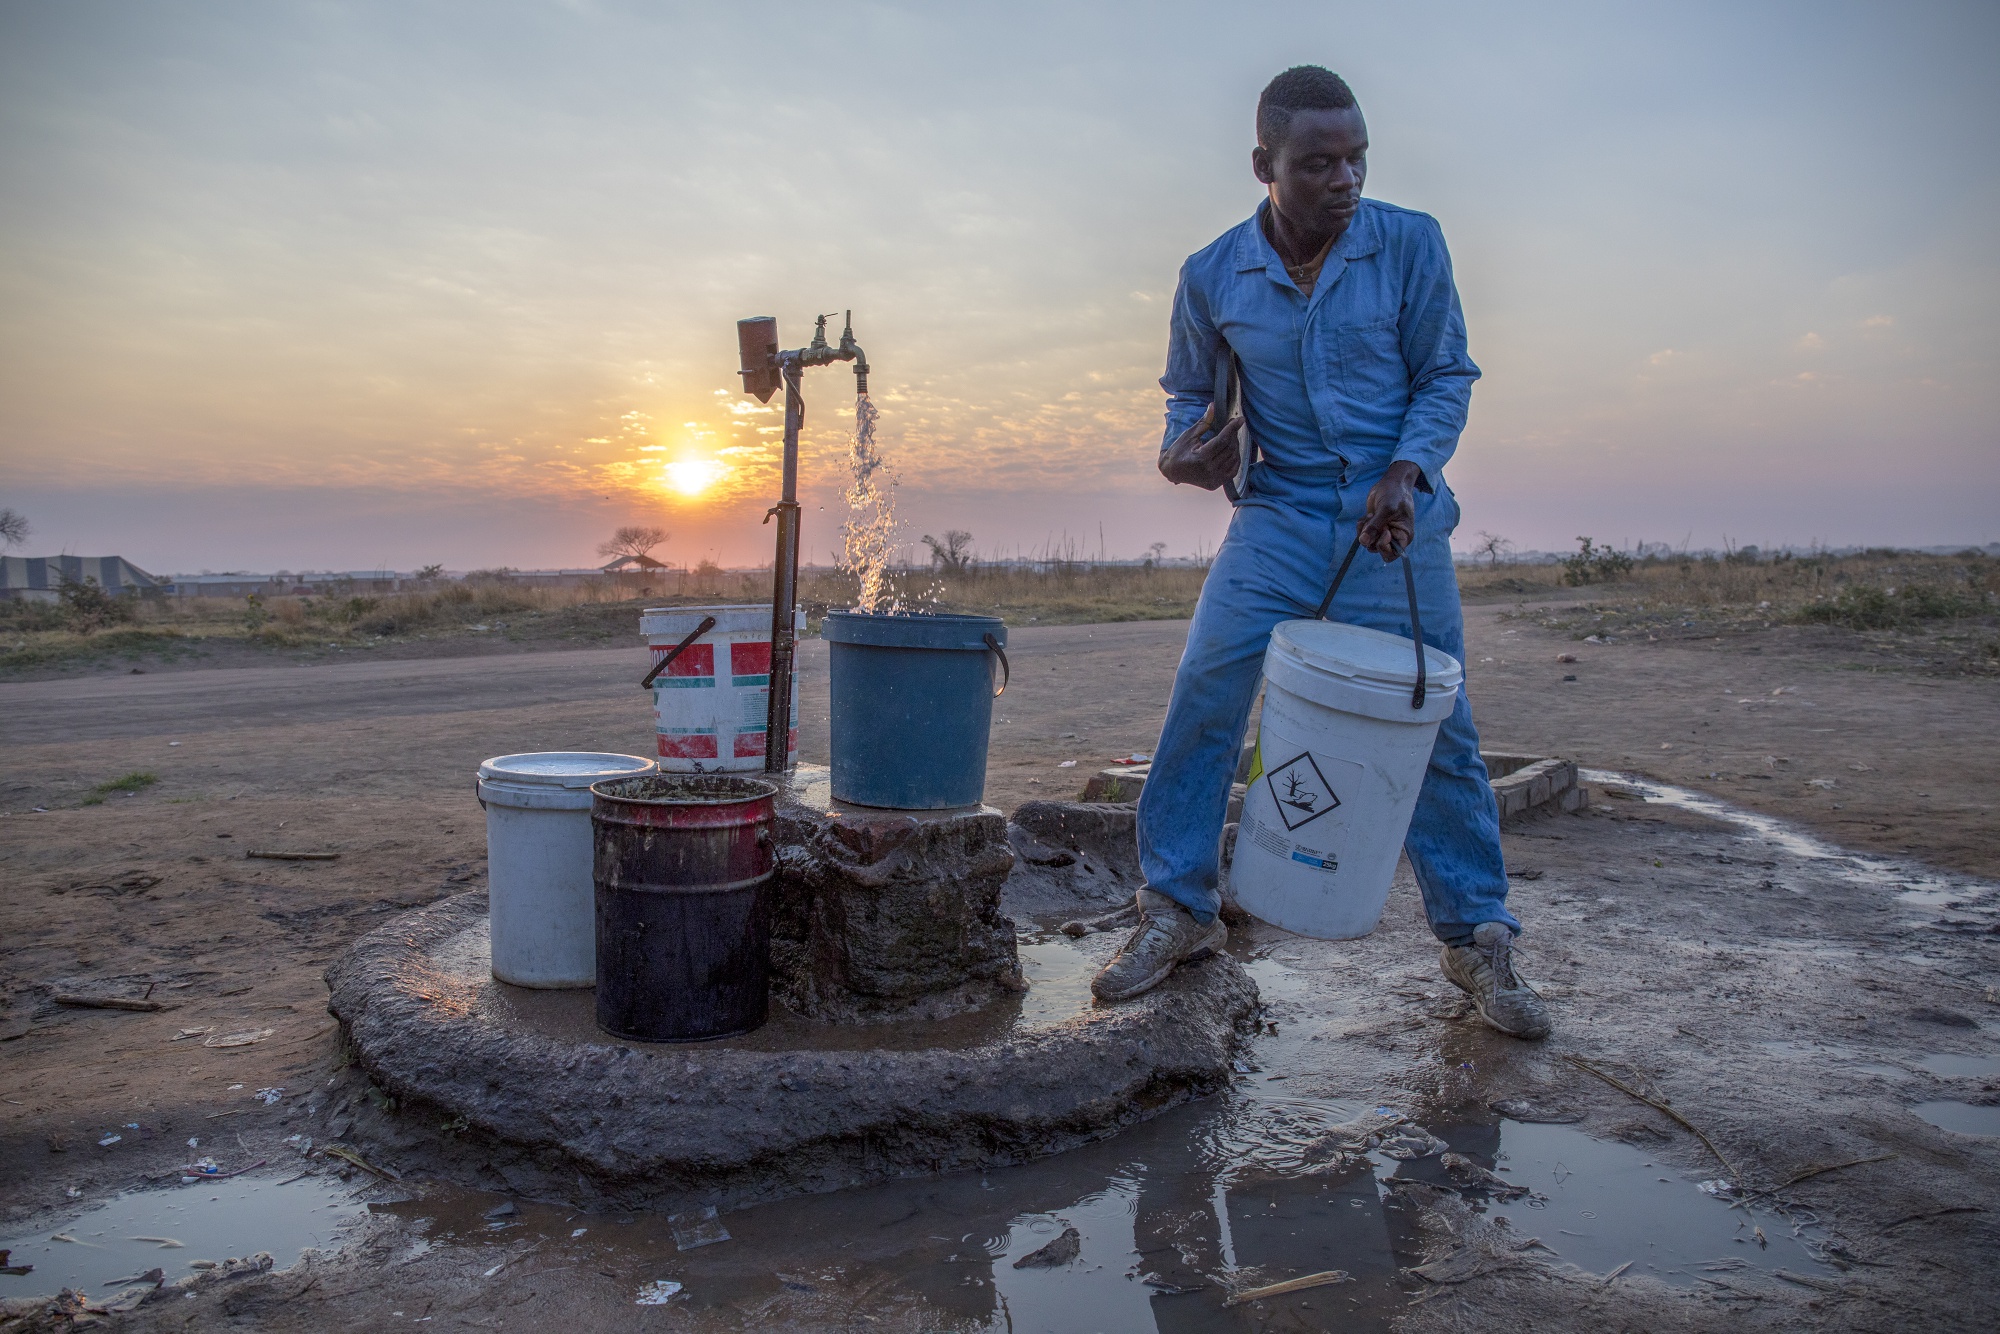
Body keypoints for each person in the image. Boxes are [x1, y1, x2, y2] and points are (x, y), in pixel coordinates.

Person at [1090, 65, 1549, 1040]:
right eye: (1318, 163)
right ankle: (1177, 907)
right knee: (1207, 688)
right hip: (1280, 516)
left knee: (1436, 719)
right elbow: (1188, 399)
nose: (1345, 180)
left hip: (1392, 520)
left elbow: (1445, 374)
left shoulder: (1410, 244)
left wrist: (1406, 471)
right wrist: (1181, 455)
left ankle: (1477, 938)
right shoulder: (1213, 275)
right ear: (1264, 165)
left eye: (1356, 159)